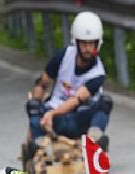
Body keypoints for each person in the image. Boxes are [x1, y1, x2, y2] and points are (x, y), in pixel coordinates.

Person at [26, 11, 113, 154]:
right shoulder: (63, 56)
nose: (88, 49)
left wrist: (51, 114)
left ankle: (94, 138)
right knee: (33, 105)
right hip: (57, 119)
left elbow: (75, 101)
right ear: (76, 42)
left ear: (98, 44)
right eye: (84, 44)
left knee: (105, 102)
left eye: (92, 44)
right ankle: (39, 144)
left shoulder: (98, 73)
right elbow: (42, 83)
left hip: (81, 119)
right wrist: (35, 111)